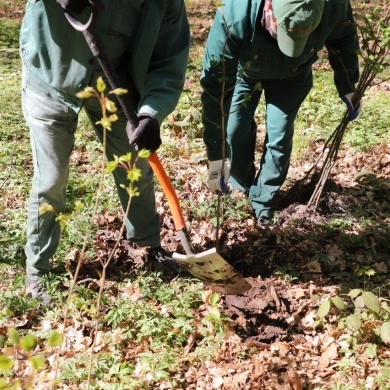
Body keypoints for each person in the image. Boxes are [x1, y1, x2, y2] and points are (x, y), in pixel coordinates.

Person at [20, 0, 190, 304]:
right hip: (49, 77)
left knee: (134, 164)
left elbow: (169, 60)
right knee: (52, 178)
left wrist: (151, 113)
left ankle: (146, 246)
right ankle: (38, 269)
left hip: (114, 83)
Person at [201, 0, 361, 225]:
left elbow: (343, 39)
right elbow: (214, 87)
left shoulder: (333, 6)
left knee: (280, 136)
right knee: (235, 130)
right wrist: (216, 155)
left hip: (294, 76)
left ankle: (263, 201)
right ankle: (241, 185)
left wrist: (348, 85)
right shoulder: (235, 15)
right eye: (281, 32)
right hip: (246, 73)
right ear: (268, 6)